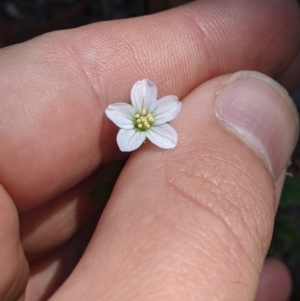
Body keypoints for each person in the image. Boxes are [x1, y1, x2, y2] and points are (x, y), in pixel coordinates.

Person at [0, 0, 300, 300]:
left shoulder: (157, 121)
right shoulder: (133, 123)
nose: (143, 119)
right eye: (141, 119)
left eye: (144, 119)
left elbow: (166, 132)